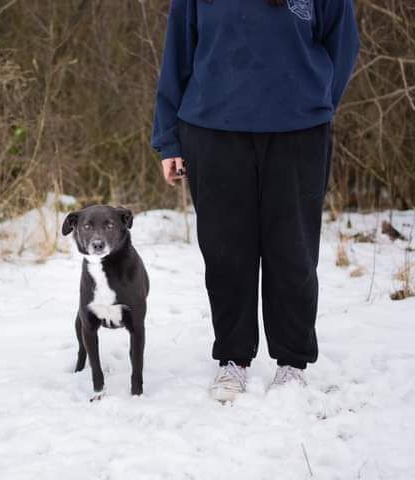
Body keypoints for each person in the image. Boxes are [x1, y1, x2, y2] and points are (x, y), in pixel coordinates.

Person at [151, 0, 359, 402]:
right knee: (227, 253)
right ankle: (233, 359)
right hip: (212, 129)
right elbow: (177, 53)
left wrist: (312, 101)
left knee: (293, 251)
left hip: (299, 132)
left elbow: (343, 44)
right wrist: (168, 139)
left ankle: (292, 363)